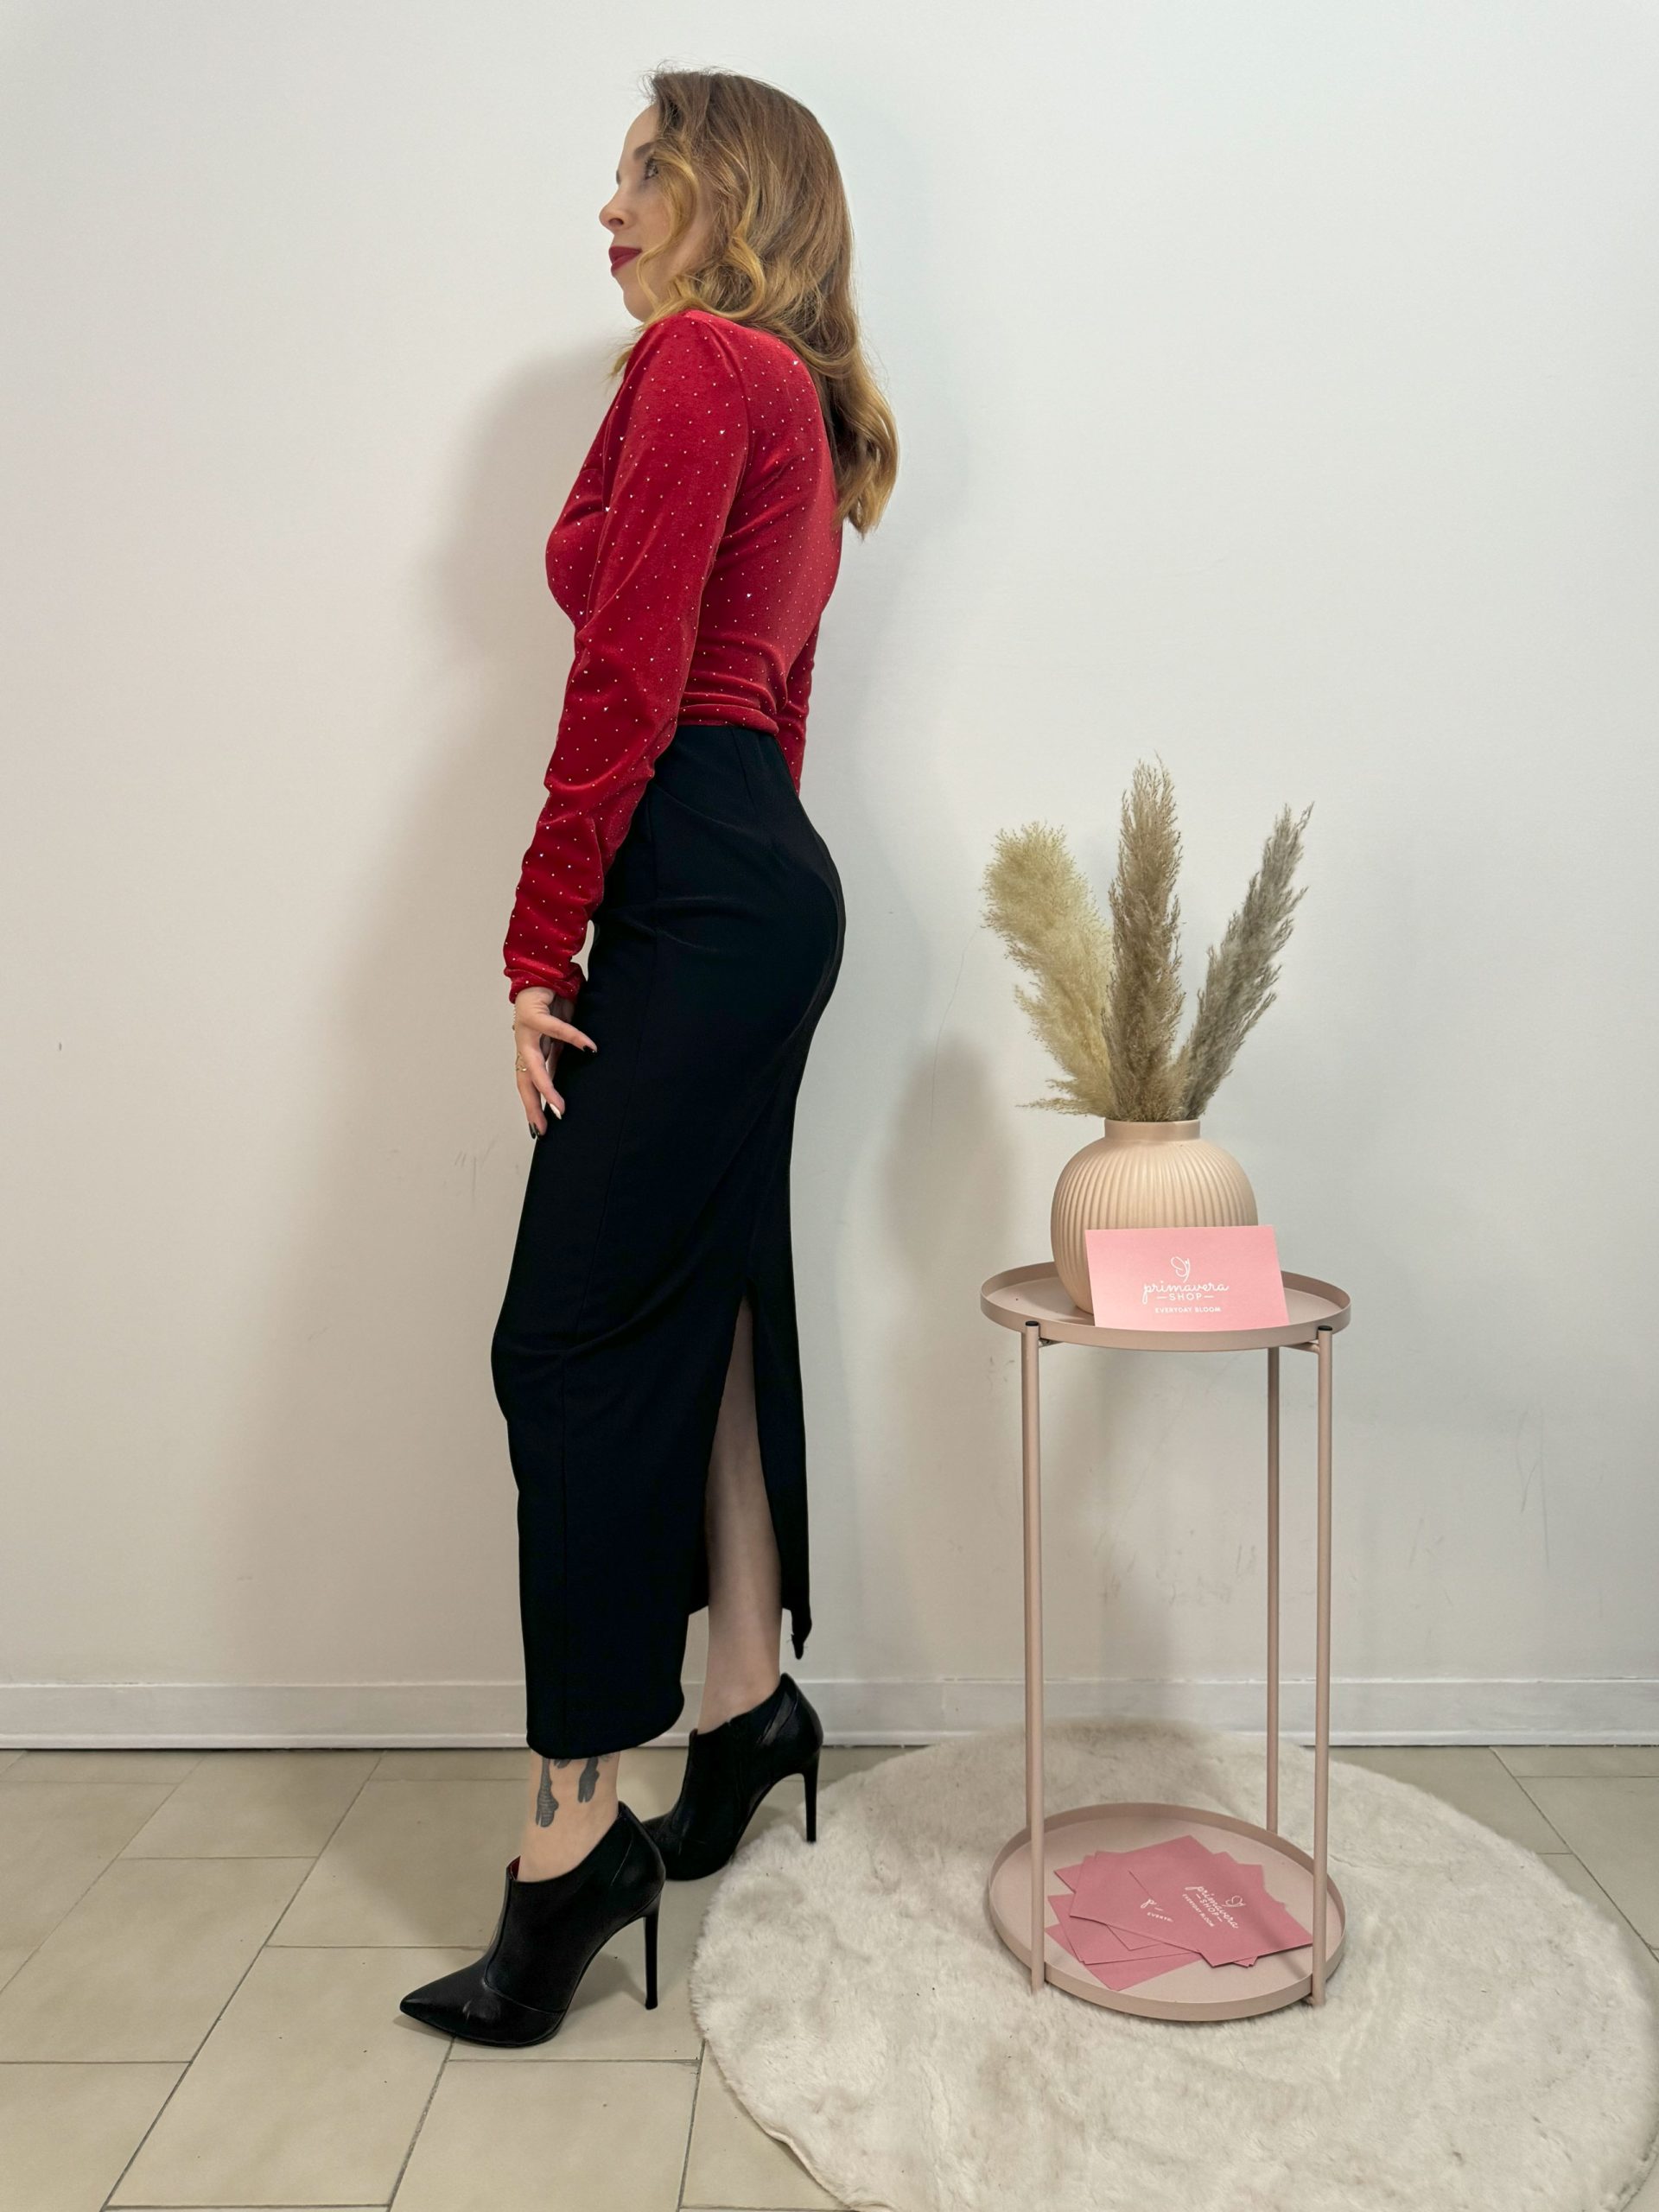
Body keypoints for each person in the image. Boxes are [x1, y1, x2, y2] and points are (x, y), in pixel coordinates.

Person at [400, 67, 898, 2047]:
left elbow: (631, 665)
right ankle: (747, 1697)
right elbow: (771, 699)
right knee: (706, 1298)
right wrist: (715, 887)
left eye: (643, 173)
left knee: (569, 1342)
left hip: (702, 876)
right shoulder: (800, 400)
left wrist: (547, 934)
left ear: (730, 194)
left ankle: (573, 1839)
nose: (608, 210)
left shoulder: (701, 365)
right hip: (754, 874)